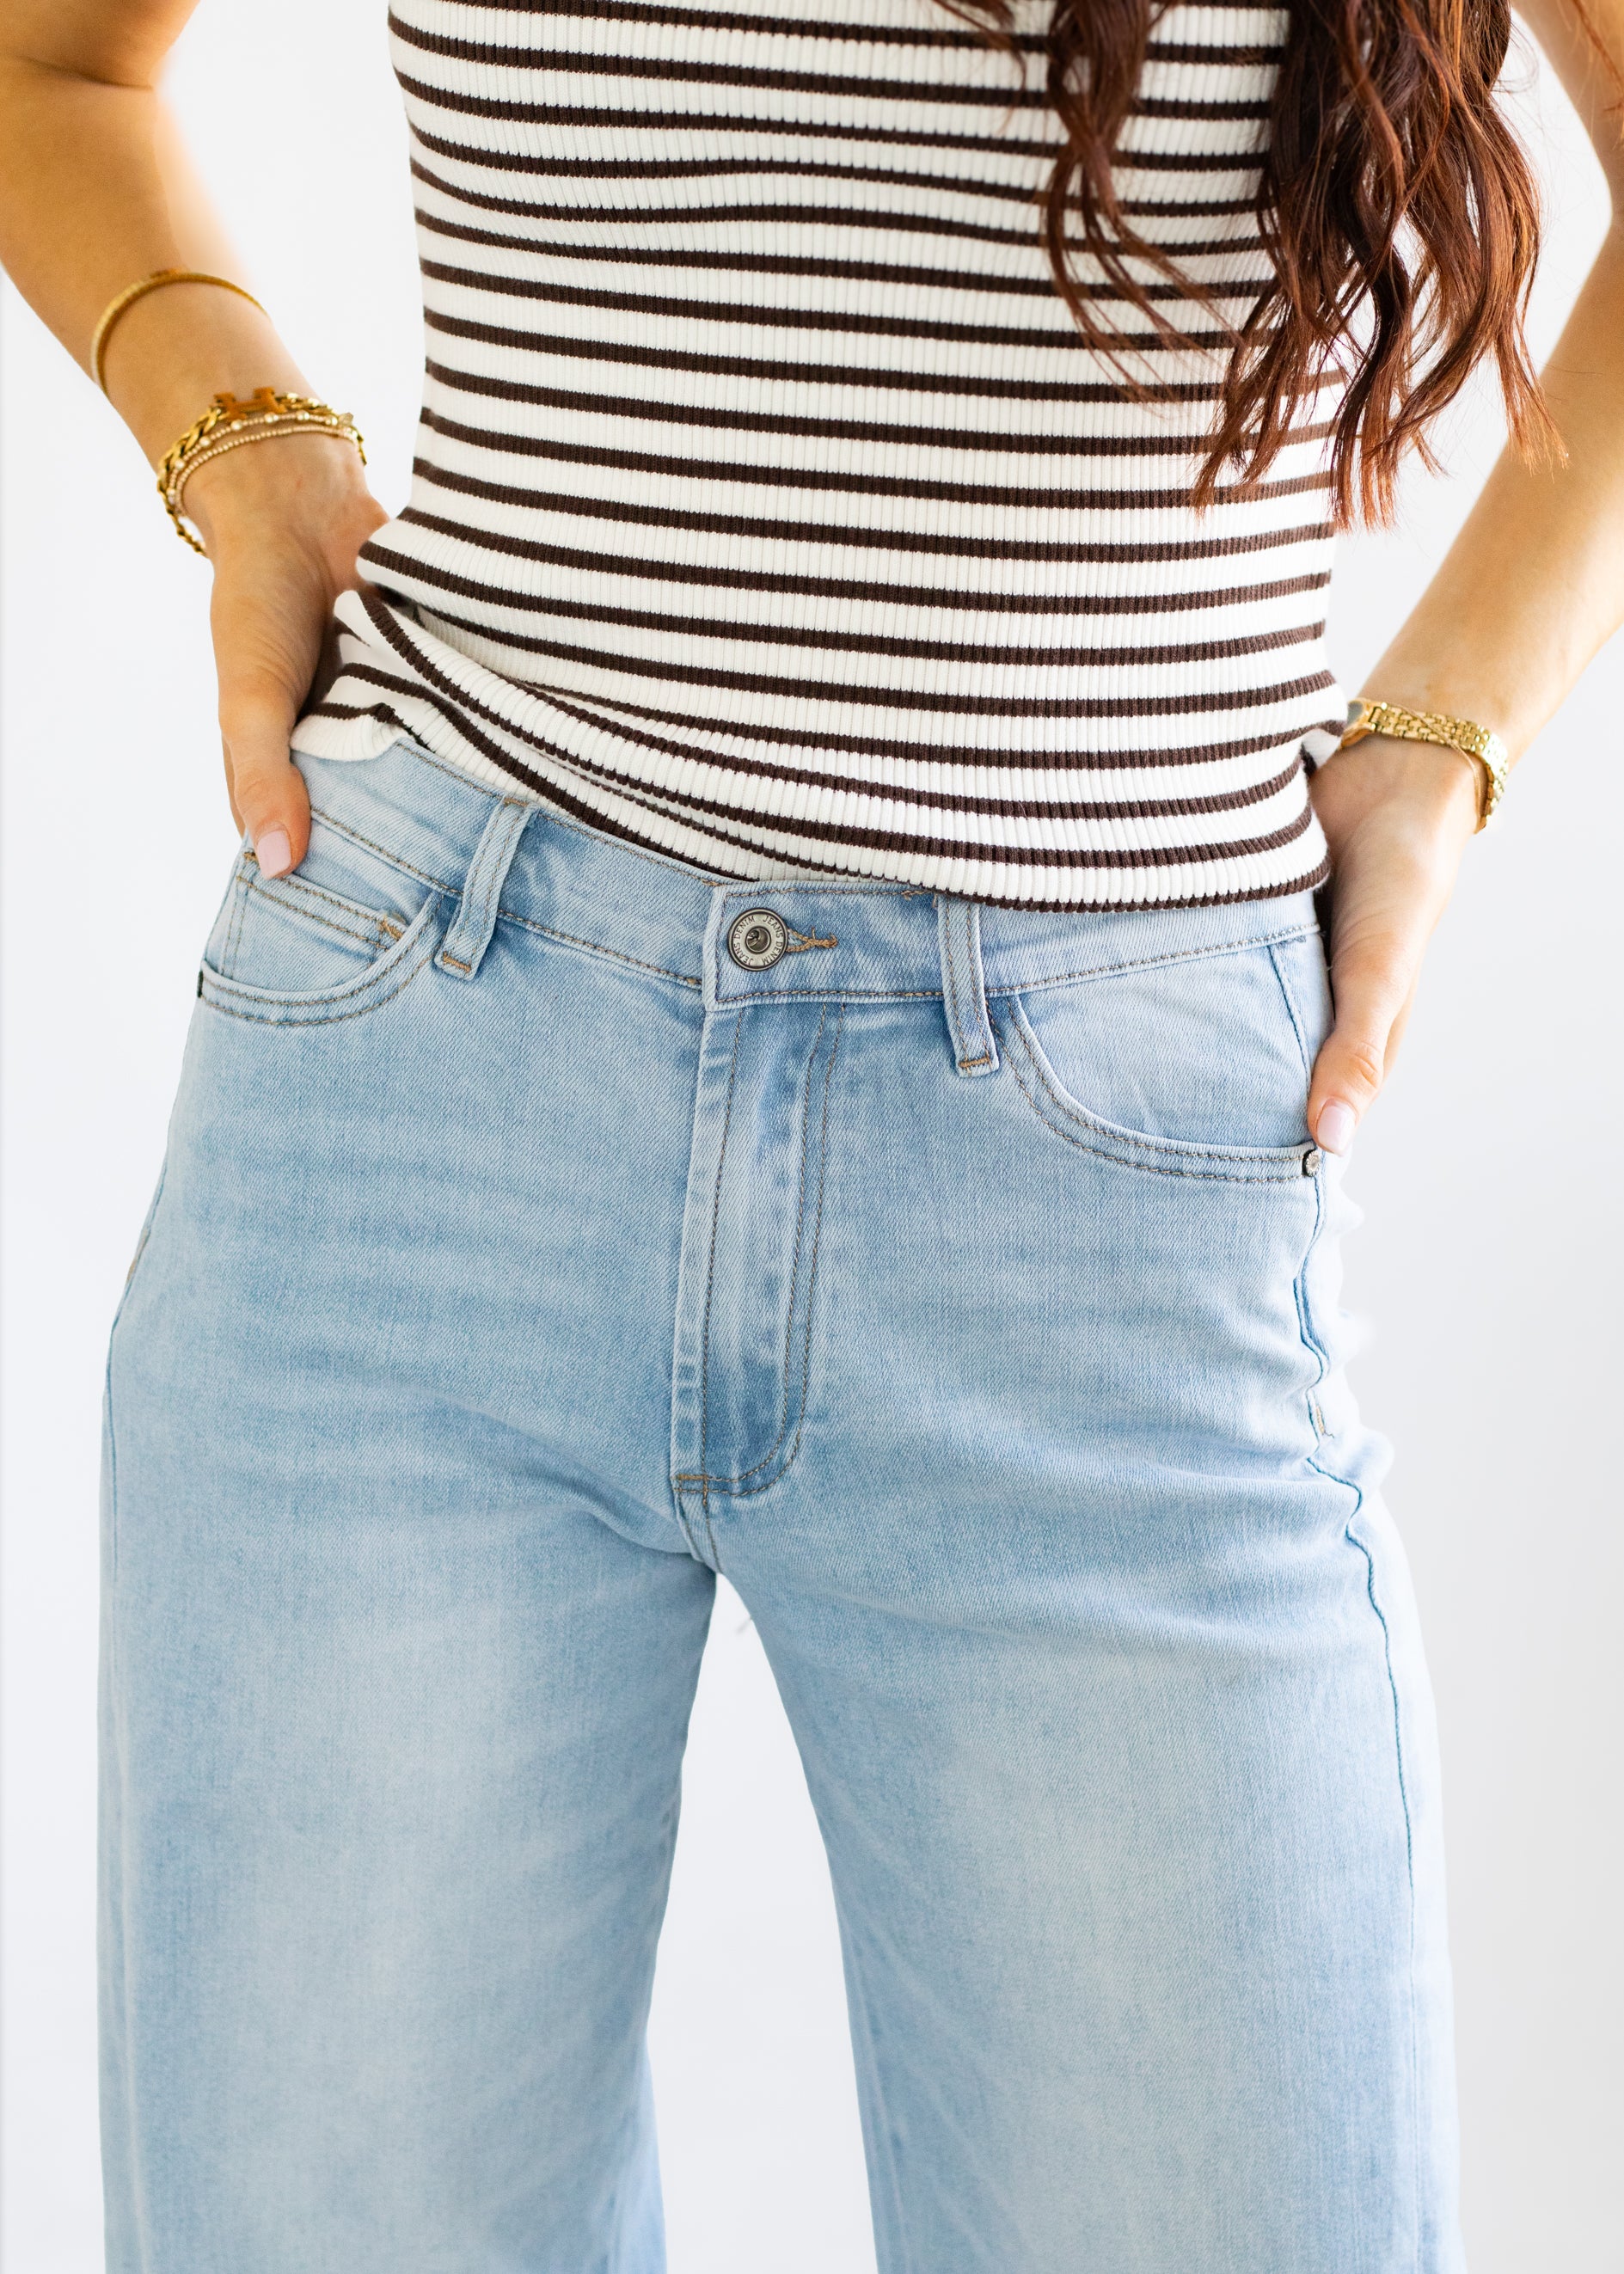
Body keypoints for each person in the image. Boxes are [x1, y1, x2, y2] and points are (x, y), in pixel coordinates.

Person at [2, 0, 1621, 2264]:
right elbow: (54, 64)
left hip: (1101, 1182)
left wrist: (1446, 731)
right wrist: (234, 423)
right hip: (414, 1107)